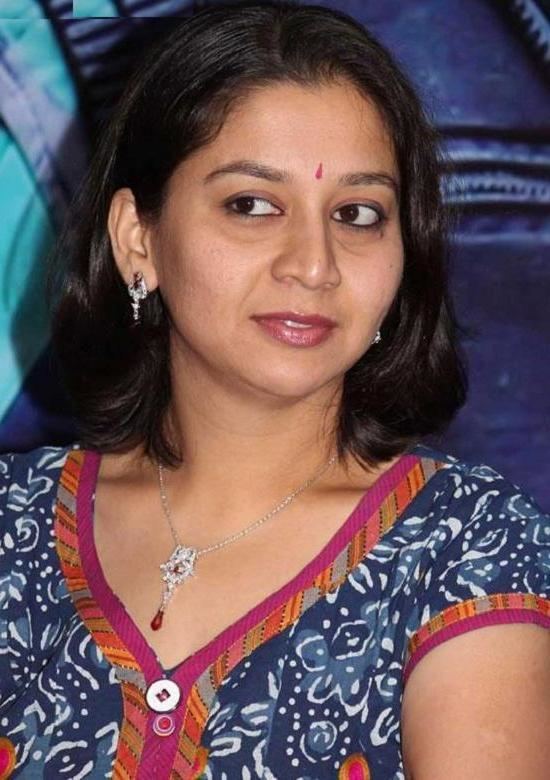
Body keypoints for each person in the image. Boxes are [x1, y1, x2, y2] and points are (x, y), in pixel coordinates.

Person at [0, 1, 548, 777]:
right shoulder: (12, 530)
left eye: (358, 214)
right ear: (138, 240)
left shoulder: (463, 550)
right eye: (252, 205)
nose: (314, 264)